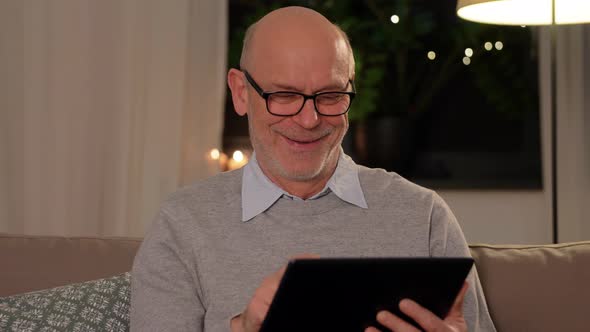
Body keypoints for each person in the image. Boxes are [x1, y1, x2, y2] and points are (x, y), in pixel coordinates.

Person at [130, 6, 496, 332]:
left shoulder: (424, 215)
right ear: (241, 92)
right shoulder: (182, 224)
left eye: (331, 95)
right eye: (285, 96)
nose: (309, 119)